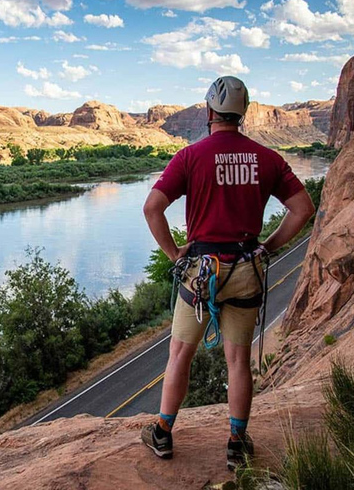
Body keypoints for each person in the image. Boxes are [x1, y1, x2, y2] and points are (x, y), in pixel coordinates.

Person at [140, 76, 315, 470]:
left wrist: (174, 254)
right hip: (245, 268)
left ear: (208, 112)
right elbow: (303, 208)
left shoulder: (189, 157)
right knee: (238, 360)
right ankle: (236, 443)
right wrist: (267, 248)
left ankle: (164, 434)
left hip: (201, 271)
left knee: (180, 353)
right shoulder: (267, 158)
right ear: (243, 113)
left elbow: (152, 208)